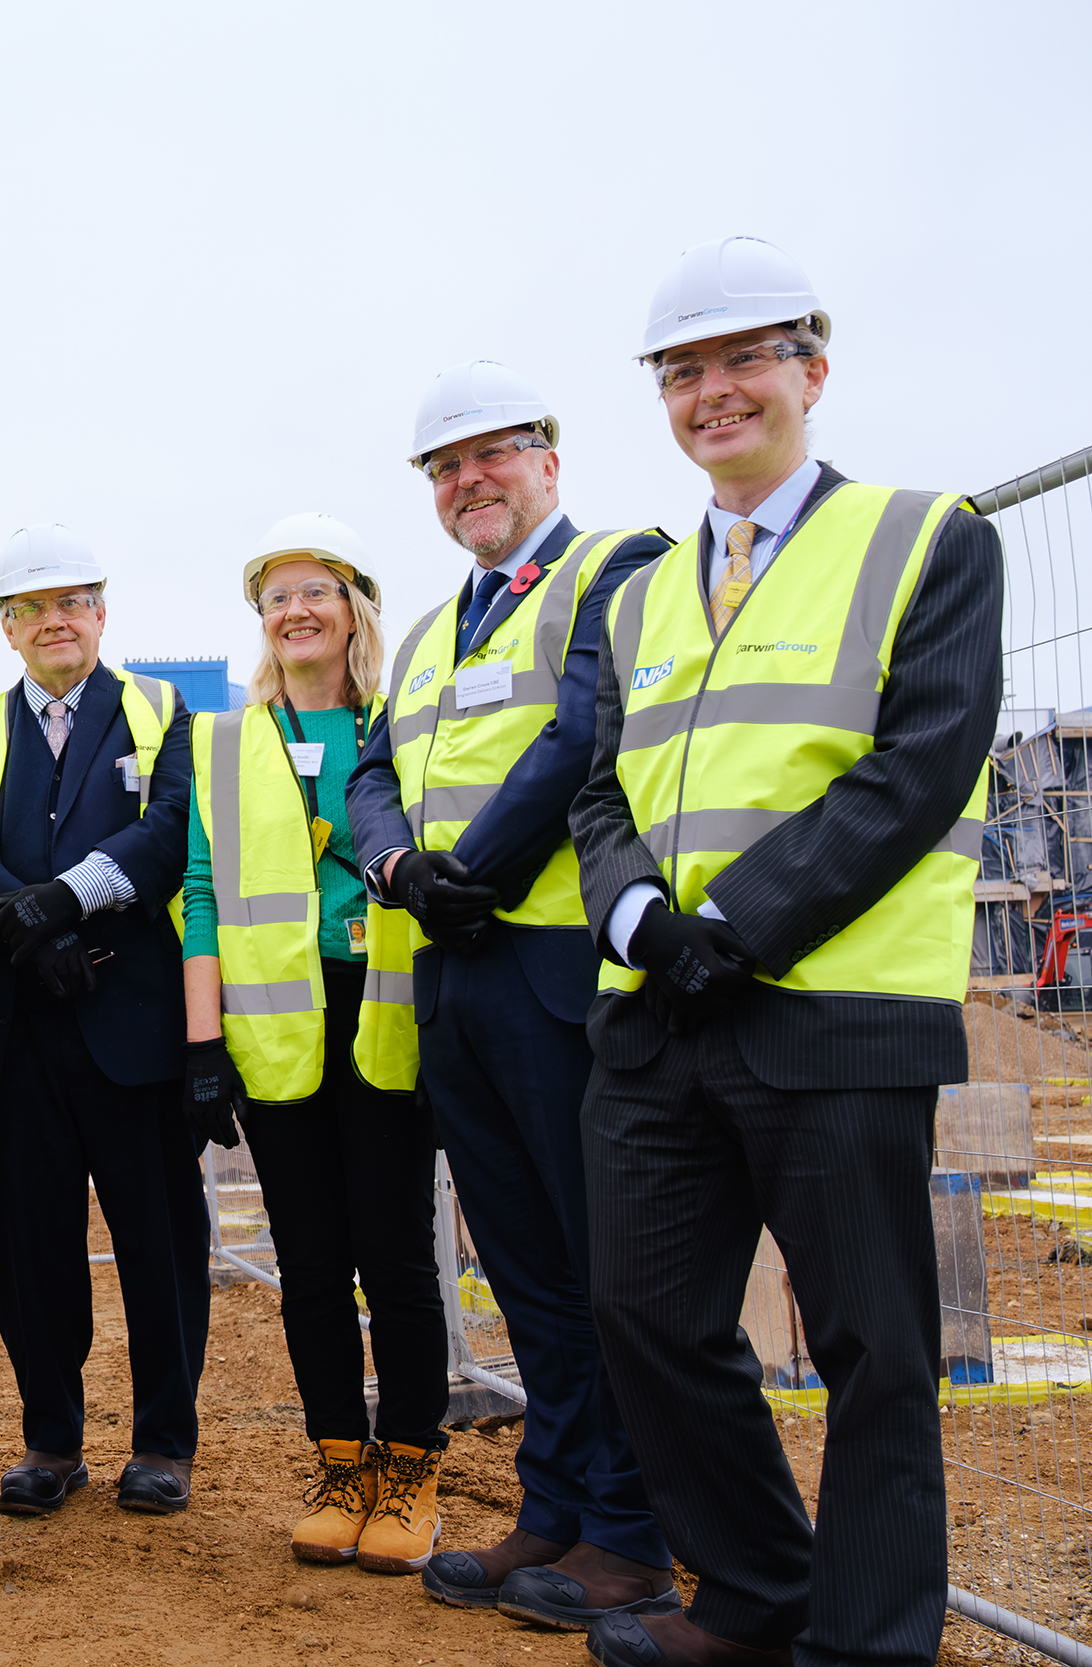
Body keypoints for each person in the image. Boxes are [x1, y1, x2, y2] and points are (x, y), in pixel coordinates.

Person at [570, 236, 999, 1667]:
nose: (715, 392)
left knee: (874, 1349)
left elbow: (919, 763)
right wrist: (637, 914)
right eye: (684, 371)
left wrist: (735, 930)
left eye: (747, 358)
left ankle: (868, 1645)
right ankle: (758, 1597)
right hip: (658, 1017)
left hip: (836, 1010)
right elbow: (598, 786)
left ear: (814, 369)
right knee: (646, 1313)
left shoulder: (927, 538)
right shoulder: (636, 592)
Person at [347, 364, 675, 1625]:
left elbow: (587, 730)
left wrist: (470, 873)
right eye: (444, 466)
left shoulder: (616, 567)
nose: (467, 481)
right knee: (526, 1267)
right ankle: (557, 1504)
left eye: (490, 454)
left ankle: (637, 1528)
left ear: (547, 457)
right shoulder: (433, 628)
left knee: (605, 1263)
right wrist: (399, 869)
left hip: (555, 967)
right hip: (457, 977)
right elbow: (374, 772)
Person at [185, 514, 451, 1571]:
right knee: (307, 1262)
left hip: (384, 1017)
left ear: (355, 614)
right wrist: (203, 1047)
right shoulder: (221, 743)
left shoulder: (402, 725)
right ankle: (339, 1463)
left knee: (395, 1256)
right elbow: (200, 895)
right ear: (262, 623)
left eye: (317, 592)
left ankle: (412, 1469)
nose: (296, 611)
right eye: (276, 597)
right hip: (275, 1031)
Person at [0, 525, 208, 1518]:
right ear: (6, 628)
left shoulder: (163, 711)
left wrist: (65, 899)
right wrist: (21, 924)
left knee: (159, 1240)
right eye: (32, 607)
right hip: (14, 1030)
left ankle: (163, 1440)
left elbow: (171, 827)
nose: (56, 619)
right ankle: (50, 1438)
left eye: (74, 600)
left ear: (101, 610)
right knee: (29, 1246)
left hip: (129, 1024)